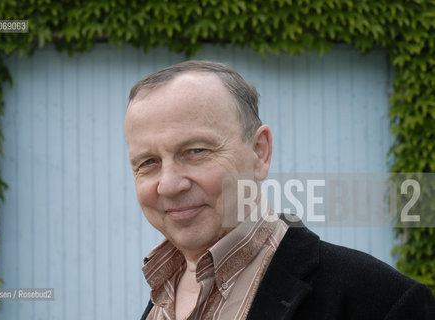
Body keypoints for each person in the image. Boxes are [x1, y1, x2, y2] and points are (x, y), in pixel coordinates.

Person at [124, 60, 435, 320]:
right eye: (148, 162)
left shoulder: (384, 303)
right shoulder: (162, 291)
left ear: (260, 152)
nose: (168, 184)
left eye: (195, 151)